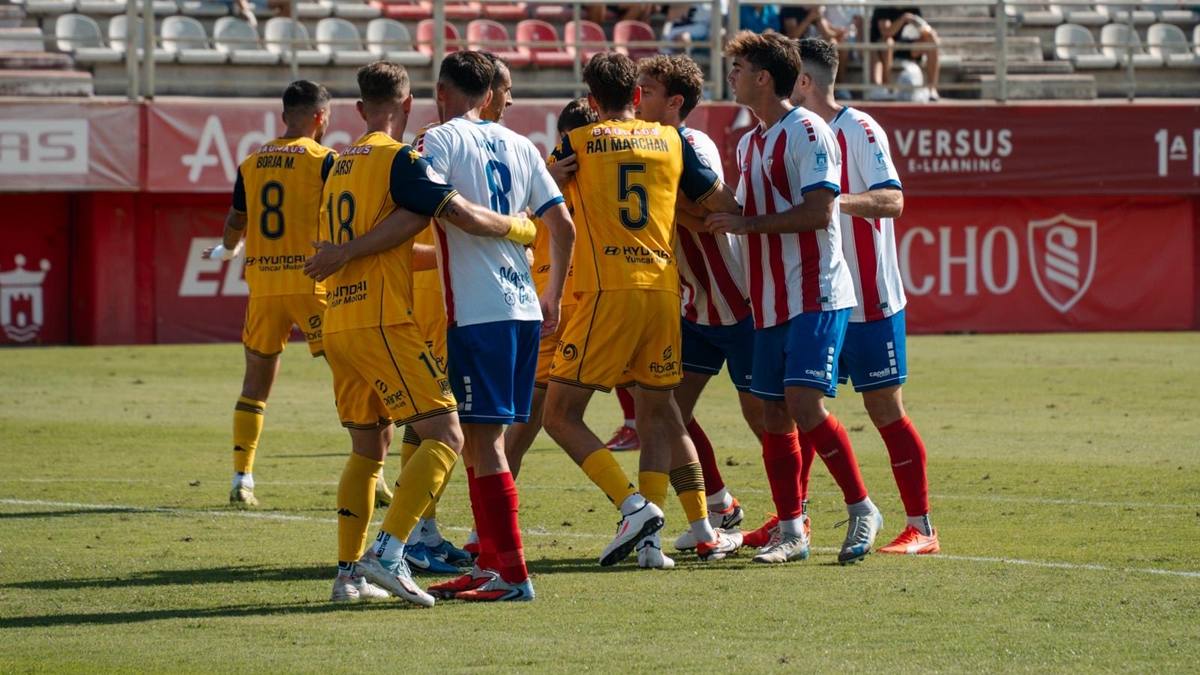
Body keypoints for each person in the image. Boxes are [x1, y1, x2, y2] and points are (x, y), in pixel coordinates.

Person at [302, 60, 539, 605]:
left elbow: (397, 236)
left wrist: (347, 254)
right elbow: (449, 210)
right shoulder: (400, 158)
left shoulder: (338, 165)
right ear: (409, 106)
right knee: (447, 434)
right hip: (381, 319)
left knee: (369, 448)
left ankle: (347, 576)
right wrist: (524, 227)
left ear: (359, 109)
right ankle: (389, 553)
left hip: (340, 318)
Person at [541, 52, 744, 567]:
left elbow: (540, 202)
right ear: (636, 96)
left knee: (560, 414)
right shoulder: (673, 141)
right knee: (658, 413)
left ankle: (632, 507)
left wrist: (550, 170)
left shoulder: (577, 143)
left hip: (608, 291)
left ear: (591, 101)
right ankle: (656, 541)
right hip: (661, 291)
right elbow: (724, 204)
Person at [709, 31, 884, 565]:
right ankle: (793, 531)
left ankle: (861, 508)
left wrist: (745, 223)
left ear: (764, 77)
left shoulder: (808, 131)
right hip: (770, 299)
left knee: (803, 403)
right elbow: (737, 206)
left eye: (738, 67)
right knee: (772, 414)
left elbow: (818, 212)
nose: (731, 75)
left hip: (817, 291)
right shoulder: (748, 142)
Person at [411, 51, 574, 602]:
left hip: (479, 314)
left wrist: (504, 226)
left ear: (441, 91)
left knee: (487, 445)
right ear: (489, 94)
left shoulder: (439, 140)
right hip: (524, 307)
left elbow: (442, 205)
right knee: (486, 446)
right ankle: (492, 566)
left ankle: (512, 575)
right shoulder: (522, 144)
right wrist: (551, 294)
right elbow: (564, 226)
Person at [792, 38, 938, 554]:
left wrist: (832, 201)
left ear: (804, 80)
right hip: (815, 295)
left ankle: (921, 527)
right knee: (799, 405)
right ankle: (794, 521)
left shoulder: (859, 127)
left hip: (869, 299)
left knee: (884, 409)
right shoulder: (788, 132)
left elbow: (894, 200)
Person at [634, 54, 760, 558]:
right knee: (667, 414)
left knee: (767, 418)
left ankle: (795, 516)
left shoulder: (690, 144)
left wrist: (676, 211)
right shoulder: (651, 146)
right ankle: (712, 508)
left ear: (674, 102)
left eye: (647, 89)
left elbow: (724, 208)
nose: (637, 97)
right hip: (696, 306)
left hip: (737, 303)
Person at [202, 80, 334, 509]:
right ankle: (375, 474)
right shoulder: (325, 160)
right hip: (312, 284)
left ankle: (243, 477)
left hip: (264, 287)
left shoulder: (251, 162)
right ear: (319, 117)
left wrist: (228, 247)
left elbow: (236, 219)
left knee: (255, 386)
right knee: (357, 376)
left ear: (284, 115)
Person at [502, 97, 594, 480]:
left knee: (535, 419)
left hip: (550, 300)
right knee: (664, 412)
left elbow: (515, 227)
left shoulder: (541, 169)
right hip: (598, 300)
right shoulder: (606, 165)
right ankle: (706, 510)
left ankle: (486, 525)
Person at [869, 6, 940, 100]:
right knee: (888, 42)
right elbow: (886, 33)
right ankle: (888, 88)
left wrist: (928, 32)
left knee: (932, 40)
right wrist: (903, 19)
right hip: (882, 49)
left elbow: (924, 30)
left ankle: (932, 89)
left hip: (905, 46)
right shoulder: (883, 5)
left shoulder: (913, 6)